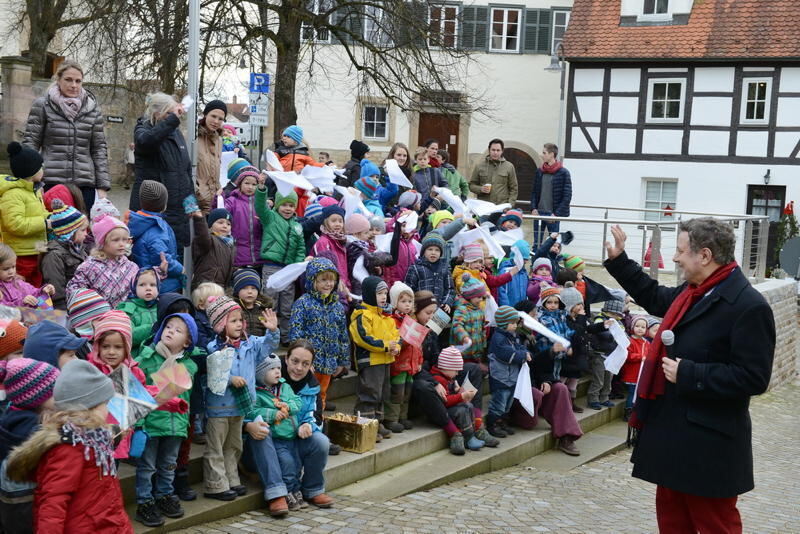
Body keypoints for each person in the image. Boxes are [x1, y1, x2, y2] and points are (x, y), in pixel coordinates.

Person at [603, 219, 775, 532]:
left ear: (705, 255)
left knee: (715, 526)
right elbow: (655, 296)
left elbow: (754, 377)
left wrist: (689, 372)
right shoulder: (694, 291)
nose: (675, 258)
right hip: (672, 435)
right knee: (672, 523)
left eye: (681, 251)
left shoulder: (748, 306)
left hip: (709, 446)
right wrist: (620, 261)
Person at [6, 359, 133, 533]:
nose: (108, 410)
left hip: (108, 522)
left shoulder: (92, 437)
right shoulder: (68, 448)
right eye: (105, 404)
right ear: (89, 408)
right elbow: (53, 502)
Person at [204, 296, 279, 501]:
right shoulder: (214, 347)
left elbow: (268, 346)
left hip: (240, 405)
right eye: (233, 321)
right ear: (221, 324)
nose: (239, 324)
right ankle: (215, 484)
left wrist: (272, 331)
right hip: (219, 406)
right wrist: (230, 379)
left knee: (234, 445)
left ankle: (232, 478)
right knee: (216, 446)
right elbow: (213, 374)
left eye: (240, 320)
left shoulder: (250, 344)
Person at [133, 313, 198, 527]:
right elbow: (140, 391)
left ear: (187, 342)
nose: (170, 331)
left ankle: (164, 495)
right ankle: (144, 501)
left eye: (178, 330)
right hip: (151, 422)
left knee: (169, 465)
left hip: (175, 423)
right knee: (147, 466)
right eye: (168, 327)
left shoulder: (189, 365)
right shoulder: (146, 358)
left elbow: (179, 392)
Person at [22, 60, 110, 213]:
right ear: (58, 79)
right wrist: (31, 180)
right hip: (51, 182)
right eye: (68, 80)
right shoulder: (43, 105)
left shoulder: (92, 109)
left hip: (84, 184)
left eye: (78, 81)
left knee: (83, 227)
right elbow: (31, 143)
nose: (74, 85)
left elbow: (99, 149)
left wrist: (102, 187)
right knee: (53, 226)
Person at [0, 358, 59, 534]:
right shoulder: (31, 427)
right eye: (55, 391)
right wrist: (49, 429)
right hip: (26, 499)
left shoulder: (12, 412)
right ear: (36, 397)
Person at [131, 92, 194, 249]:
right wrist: (172, 120)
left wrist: (191, 205)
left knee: (176, 257)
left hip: (177, 213)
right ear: (156, 113)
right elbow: (146, 142)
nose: (174, 118)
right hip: (154, 212)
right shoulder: (143, 129)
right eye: (169, 114)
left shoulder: (176, 134)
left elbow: (185, 172)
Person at [288, 258, 349, 411]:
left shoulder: (337, 306)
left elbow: (343, 335)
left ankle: (317, 420)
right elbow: (296, 333)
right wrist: (302, 361)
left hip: (329, 362)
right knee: (304, 394)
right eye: (323, 280)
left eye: (332, 280)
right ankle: (303, 421)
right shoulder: (303, 303)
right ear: (312, 280)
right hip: (309, 364)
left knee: (321, 394)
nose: (328, 284)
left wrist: (342, 361)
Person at [280, 341, 335, 498]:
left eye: (305, 364)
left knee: (321, 442)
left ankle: (313, 489)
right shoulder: (274, 377)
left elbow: (317, 415)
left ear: (311, 366)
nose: (299, 368)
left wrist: (307, 425)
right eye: (295, 361)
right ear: (286, 359)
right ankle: (282, 492)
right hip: (278, 436)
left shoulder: (312, 385)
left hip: (299, 435)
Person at [350, 277, 400, 441]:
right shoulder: (362, 315)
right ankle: (365, 425)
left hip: (385, 360)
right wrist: (386, 346)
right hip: (370, 361)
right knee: (369, 393)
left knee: (382, 394)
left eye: (385, 293)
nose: (384, 297)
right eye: (379, 293)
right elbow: (363, 338)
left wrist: (396, 347)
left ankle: (377, 422)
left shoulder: (386, 316)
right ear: (370, 294)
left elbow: (396, 335)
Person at [255, 186, 305, 343]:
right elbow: (260, 207)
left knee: (287, 306)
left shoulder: (297, 226)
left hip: (288, 270)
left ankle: (285, 336)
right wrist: (261, 190)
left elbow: (300, 249)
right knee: (270, 303)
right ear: (277, 205)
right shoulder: (270, 218)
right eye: (284, 205)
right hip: (271, 267)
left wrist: (296, 269)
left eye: (291, 205)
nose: (288, 208)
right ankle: (266, 335)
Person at [415, 346, 485, 453]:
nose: (457, 373)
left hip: (450, 408)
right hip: (444, 411)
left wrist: (458, 391)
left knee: (469, 405)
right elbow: (446, 401)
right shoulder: (439, 379)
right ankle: (468, 437)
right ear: (446, 368)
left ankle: (475, 430)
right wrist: (461, 396)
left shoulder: (448, 377)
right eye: (456, 370)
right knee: (461, 410)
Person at [66, 215, 141, 308]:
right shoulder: (89, 267)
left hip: (124, 314)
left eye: (125, 239)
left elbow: (137, 292)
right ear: (102, 242)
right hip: (96, 314)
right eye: (116, 240)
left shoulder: (132, 267)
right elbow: (74, 291)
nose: (122, 244)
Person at [0, 142, 48, 285]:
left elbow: (41, 213)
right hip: (21, 254)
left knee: (36, 284)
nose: (43, 170)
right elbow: (14, 224)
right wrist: (44, 223)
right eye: (41, 167)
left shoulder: (34, 190)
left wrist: (53, 218)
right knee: (20, 285)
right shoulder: (13, 194)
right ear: (32, 171)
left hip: (37, 248)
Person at [129, 180, 185, 293]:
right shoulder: (157, 231)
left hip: (148, 281)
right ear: (164, 205)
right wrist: (181, 270)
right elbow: (162, 258)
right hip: (162, 286)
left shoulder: (140, 221)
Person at [486, 306, 530, 438]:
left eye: (516, 322)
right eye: (512, 323)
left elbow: (519, 347)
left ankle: (502, 422)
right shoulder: (498, 338)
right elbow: (507, 354)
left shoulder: (511, 336)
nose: (515, 325)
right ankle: (492, 424)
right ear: (503, 323)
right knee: (499, 403)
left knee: (508, 404)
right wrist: (523, 355)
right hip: (501, 377)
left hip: (511, 377)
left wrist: (525, 352)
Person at [385, 282, 421, 433]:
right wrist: (405, 339)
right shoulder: (392, 321)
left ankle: (402, 417)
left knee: (407, 392)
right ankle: (391, 419)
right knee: (397, 392)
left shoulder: (412, 320)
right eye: (403, 301)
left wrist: (419, 361)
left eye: (410, 301)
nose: (407, 304)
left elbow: (418, 345)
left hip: (411, 365)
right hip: (399, 364)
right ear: (395, 303)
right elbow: (396, 343)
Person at [41, 199, 89, 310]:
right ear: (69, 232)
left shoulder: (79, 248)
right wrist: (64, 312)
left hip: (82, 301)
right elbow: (56, 291)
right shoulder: (54, 256)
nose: (86, 234)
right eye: (82, 230)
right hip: (69, 306)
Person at [404, 231, 456, 315]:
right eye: (430, 249)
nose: (433, 252)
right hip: (420, 309)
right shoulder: (415, 268)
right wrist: (412, 305)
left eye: (437, 250)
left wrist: (447, 302)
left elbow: (450, 289)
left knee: (438, 323)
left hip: (439, 310)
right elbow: (409, 289)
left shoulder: (444, 269)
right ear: (423, 251)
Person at [530, 143, 572, 247]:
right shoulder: (539, 171)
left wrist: (556, 214)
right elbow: (534, 191)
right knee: (536, 244)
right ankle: (535, 258)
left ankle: (551, 259)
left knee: (553, 244)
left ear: (552, 154)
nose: (542, 155)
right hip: (538, 213)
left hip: (553, 215)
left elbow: (567, 196)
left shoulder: (563, 173)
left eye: (544, 153)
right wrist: (533, 208)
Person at [224, 166, 263, 272]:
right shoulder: (232, 201)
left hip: (259, 255)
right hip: (238, 255)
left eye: (254, 184)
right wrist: (217, 199)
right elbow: (221, 214)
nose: (250, 187)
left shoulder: (261, 203)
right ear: (240, 184)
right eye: (247, 183)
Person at [116, 268, 160, 359]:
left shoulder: (163, 306)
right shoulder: (127, 309)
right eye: (142, 285)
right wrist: (152, 328)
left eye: (152, 285)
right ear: (134, 287)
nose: (148, 288)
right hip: (137, 359)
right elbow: (127, 335)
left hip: (161, 358)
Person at [191, 208, 235, 290]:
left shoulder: (230, 245)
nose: (225, 226)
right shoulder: (209, 240)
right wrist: (199, 220)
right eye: (220, 222)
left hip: (220, 287)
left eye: (228, 224)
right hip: (205, 286)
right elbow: (202, 234)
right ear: (210, 225)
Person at [0, 244, 55, 308]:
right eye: (6, 269)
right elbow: (3, 308)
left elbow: (34, 293)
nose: (11, 272)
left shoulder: (18, 282)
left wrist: (44, 290)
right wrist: (21, 303)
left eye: (13, 267)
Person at [450, 273, 488, 366]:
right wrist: (464, 337)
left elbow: (482, 329)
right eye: (479, 297)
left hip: (476, 352)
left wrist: (483, 344)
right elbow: (457, 325)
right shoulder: (462, 309)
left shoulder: (479, 310)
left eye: (482, 297)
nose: (481, 300)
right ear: (470, 296)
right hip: (463, 353)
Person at [196, 100, 227, 214]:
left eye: (220, 119)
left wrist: (219, 191)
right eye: (213, 116)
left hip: (214, 203)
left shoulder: (219, 140)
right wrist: (198, 193)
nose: (216, 121)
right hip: (196, 203)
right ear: (205, 114)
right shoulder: (193, 137)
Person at [468, 138, 518, 205]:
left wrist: (509, 205)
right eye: (493, 150)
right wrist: (481, 189)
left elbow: (514, 188)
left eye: (498, 150)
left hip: (501, 206)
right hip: (484, 205)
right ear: (489, 150)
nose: (495, 152)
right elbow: (471, 185)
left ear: (502, 151)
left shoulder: (509, 166)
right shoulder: (479, 166)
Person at [622, 316, 650, 421]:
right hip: (632, 373)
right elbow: (628, 355)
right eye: (637, 326)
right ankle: (628, 412)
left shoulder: (647, 343)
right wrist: (641, 357)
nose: (640, 329)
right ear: (632, 327)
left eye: (643, 327)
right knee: (632, 393)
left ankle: (636, 411)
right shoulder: (630, 341)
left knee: (639, 393)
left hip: (642, 373)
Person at [232, 268, 271, 338]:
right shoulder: (232, 309)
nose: (250, 291)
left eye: (253, 288)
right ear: (237, 291)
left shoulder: (265, 309)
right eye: (244, 288)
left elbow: (270, 335)